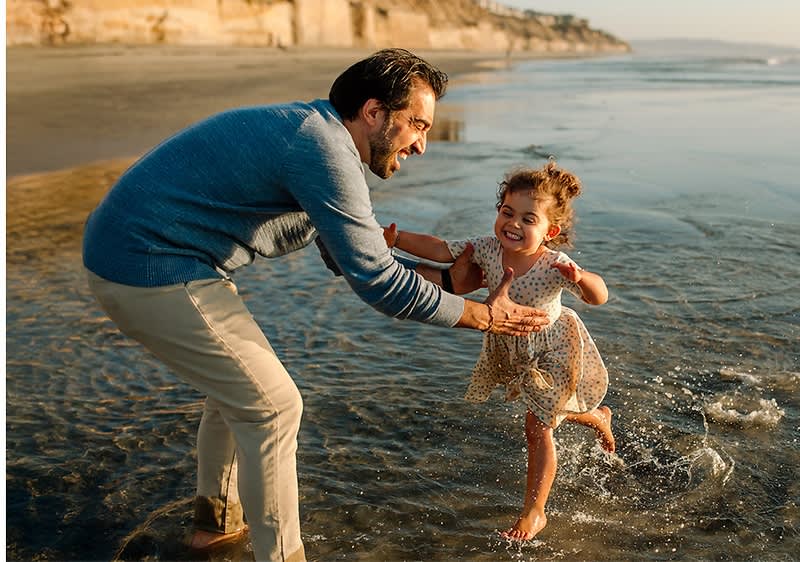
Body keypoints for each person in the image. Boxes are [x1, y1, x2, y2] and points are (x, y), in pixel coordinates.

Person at [82, 48, 550, 562]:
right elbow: (377, 279)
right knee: (274, 407)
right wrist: (485, 317)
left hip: (147, 258)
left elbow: (355, 258)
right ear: (374, 112)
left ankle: (213, 529)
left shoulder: (319, 137)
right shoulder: (322, 148)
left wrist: (451, 283)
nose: (422, 145)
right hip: (147, 266)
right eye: (417, 124)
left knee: (239, 394)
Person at [382, 160, 615, 541]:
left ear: (549, 231)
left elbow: (599, 296)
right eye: (507, 212)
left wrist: (582, 279)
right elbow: (441, 250)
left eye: (528, 219)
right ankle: (597, 418)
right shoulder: (488, 249)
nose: (514, 224)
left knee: (537, 427)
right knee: (548, 413)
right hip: (512, 345)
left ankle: (534, 513)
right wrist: (395, 239)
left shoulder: (554, 263)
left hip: (554, 347)